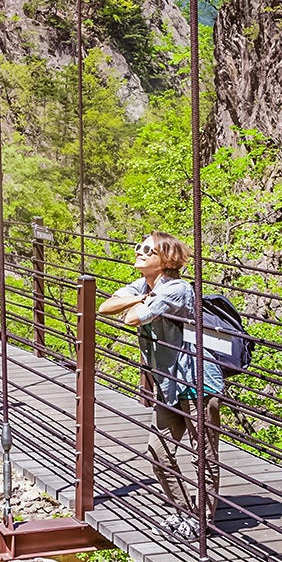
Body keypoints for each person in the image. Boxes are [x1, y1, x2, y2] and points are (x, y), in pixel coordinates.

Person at [99, 231, 225, 541]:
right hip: (169, 383)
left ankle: (202, 520)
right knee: (158, 451)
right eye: (139, 246)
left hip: (198, 382)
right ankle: (182, 511)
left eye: (147, 250)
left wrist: (138, 302)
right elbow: (105, 307)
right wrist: (141, 296)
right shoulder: (146, 286)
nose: (138, 252)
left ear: (164, 259)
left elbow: (131, 318)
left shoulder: (177, 290)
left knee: (203, 455)